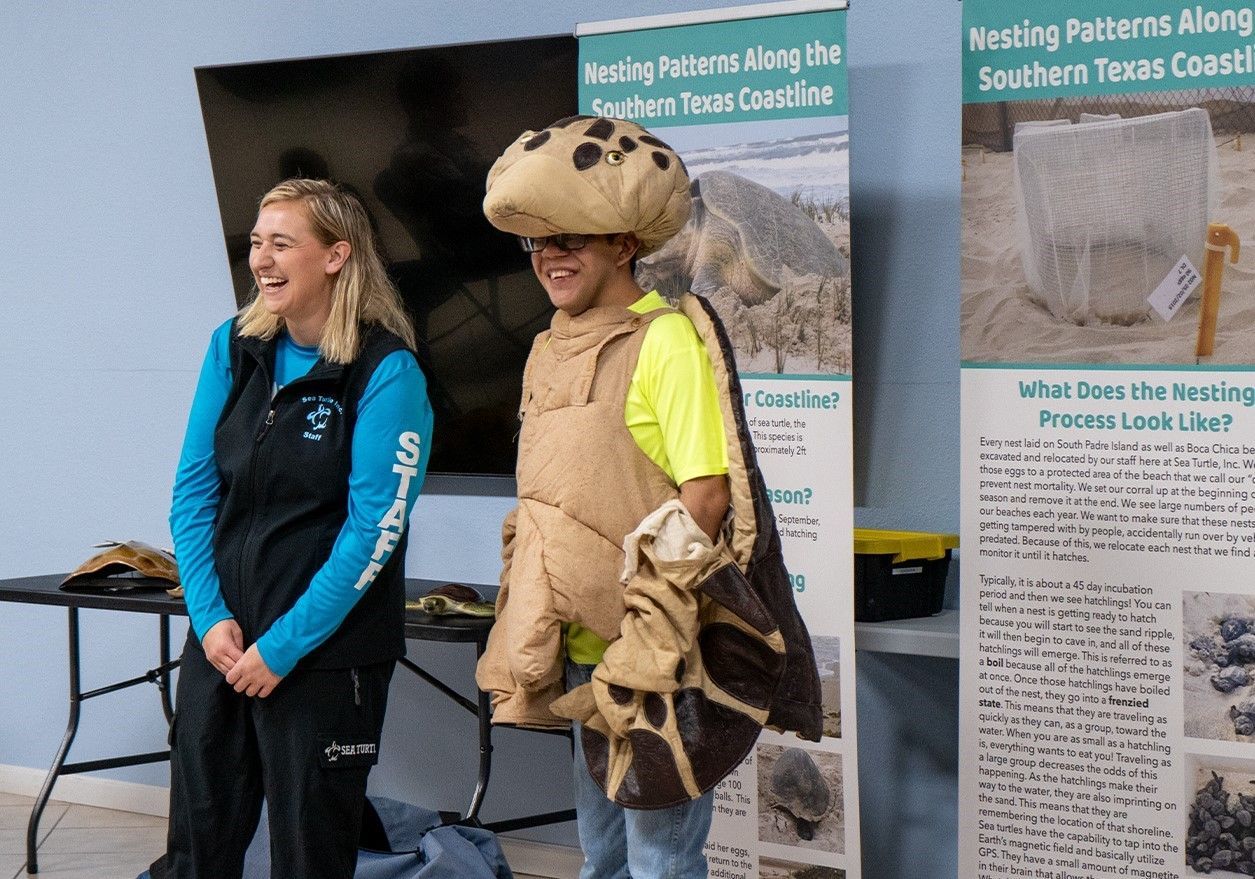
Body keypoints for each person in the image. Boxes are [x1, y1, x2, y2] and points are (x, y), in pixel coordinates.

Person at [476, 117, 821, 879]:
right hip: (579, 658)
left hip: (655, 659)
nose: (549, 258)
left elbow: (704, 495)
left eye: (570, 238)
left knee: (659, 862)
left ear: (623, 243)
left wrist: (651, 626)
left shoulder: (664, 340)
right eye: (538, 243)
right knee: (600, 857)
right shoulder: (547, 346)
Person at [149, 178, 433, 879]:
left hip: (323, 656)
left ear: (336, 255)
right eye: (255, 242)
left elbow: (374, 532)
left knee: (310, 853)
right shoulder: (234, 345)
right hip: (222, 642)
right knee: (197, 842)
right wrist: (209, 616)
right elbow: (191, 492)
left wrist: (281, 648)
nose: (261, 259)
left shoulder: (385, 370)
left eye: (282, 243)